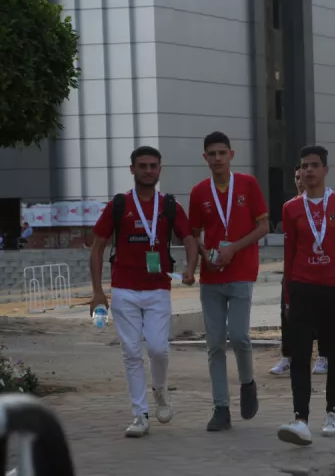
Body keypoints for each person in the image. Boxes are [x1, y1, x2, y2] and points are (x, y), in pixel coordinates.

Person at [90, 146, 198, 437]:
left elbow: (188, 238)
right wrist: (98, 292)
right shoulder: (119, 205)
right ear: (132, 169)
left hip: (157, 289)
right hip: (124, 289)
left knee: (158, 349)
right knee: (131, 353)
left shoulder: (169, 206)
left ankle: (160, 390)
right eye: (142, 165)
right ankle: (140, 414)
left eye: (153, 165)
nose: (148, 170)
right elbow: (97, 247)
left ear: (160, 169)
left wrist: (190, 268)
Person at [279, 145, 335, 445]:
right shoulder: (291, 208)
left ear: (325, 170)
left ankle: (333, 411)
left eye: (314, 165)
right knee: (300, 356)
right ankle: (300, 419)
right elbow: (289, 256)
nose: (308, 171)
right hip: (302, 289)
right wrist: (287, 297)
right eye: (304, 166)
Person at [189, 132, 270, 432]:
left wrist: (233, 247)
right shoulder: (199, 192)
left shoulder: (248, 185)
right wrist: (200, 257)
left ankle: (247, 382)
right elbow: (193, 233)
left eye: (222, 152)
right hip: (211, 275)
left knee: (237, 336)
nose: (218, 158)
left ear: (232, 155)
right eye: (212, 153)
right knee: (214, 344)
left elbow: (263, 226)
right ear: (205, 158)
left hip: (241, 271)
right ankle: (220, 408)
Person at [272, 165, 327, 376]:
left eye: (302, 175)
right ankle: (288, 356)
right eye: (295, 176)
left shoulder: (324, 204)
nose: (299, 180)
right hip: (295, 270)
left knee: (322, 314)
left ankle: (323, 356)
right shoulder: (290, 207)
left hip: (320, 267)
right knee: (287, 312)